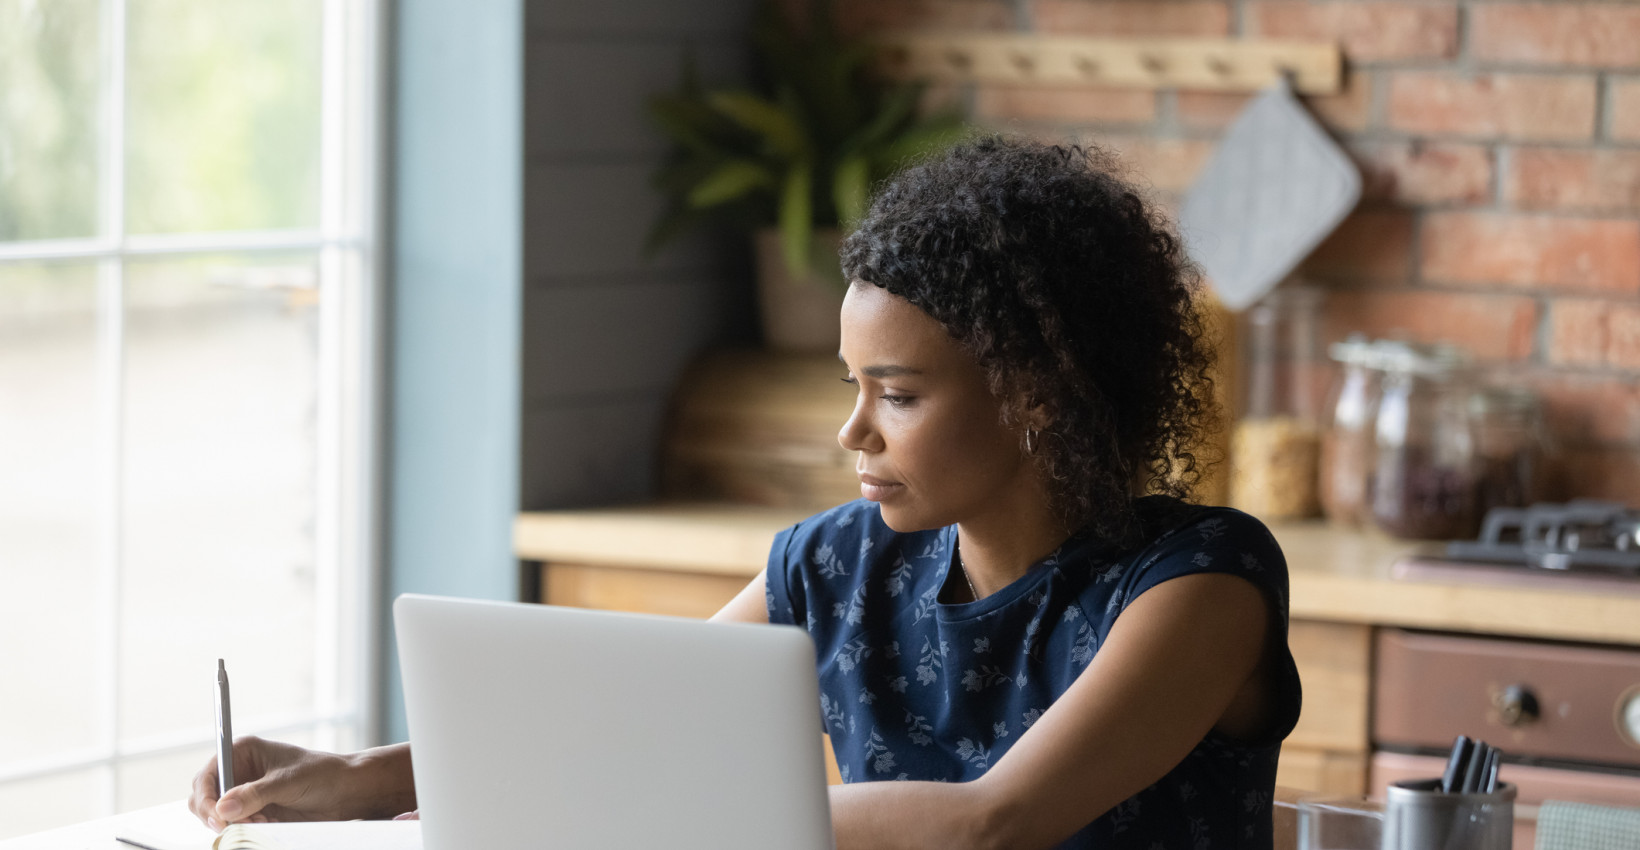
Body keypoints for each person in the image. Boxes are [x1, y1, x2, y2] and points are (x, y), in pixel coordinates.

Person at [190, 135, 1301, 849]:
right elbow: (621, 732)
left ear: (1038, 397)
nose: (850, 430)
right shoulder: (835, 562)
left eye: (898, 394)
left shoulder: (1200, 581)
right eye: (849, 385)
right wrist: (361, 776)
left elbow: (990, 823)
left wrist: (683, 814)